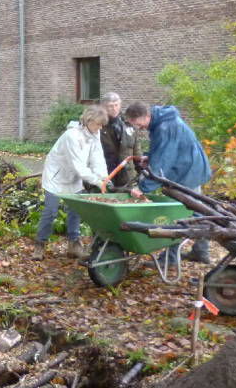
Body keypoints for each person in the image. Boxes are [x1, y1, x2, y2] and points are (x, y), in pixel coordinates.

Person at [124, 101, 212, 263]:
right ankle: (201, 251)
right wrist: (150, 156)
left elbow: (162, 162)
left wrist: (143, 188)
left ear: (145, 116)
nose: (137, 127)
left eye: (136, 123)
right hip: (188, 167)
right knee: (197, 213)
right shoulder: (161, 123)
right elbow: (165, 151)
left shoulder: (165, 127)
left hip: (187, 171)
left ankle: (170, 259)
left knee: (179, 214)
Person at [33, 105, 109, 261]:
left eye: (102, 124)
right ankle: (40, 245)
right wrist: (96, 181)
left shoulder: (95, 132)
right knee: (51, 211)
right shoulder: (72, 136)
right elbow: (79, 165)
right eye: (98, 124)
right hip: (56, 177)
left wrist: (104, 178)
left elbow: (98, 157)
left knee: (75, 210)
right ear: (88, 120)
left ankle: (73, 245)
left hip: (73, 177)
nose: (100, 127)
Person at [99, 92, 141, 188]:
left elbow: (136, 151)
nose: (114, 109)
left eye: (116, 105)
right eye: (110, 106)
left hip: (128, 176)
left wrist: (142, 171)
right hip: (107, 174)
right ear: (104, 107)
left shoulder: (128, 123)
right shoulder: (98, 125)